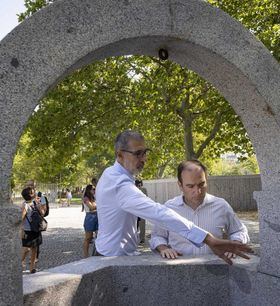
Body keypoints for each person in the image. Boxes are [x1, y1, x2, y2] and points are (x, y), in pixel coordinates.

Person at [95, 130, 252, 264]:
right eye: (138, 154)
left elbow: (239, 230)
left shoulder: (116, 175)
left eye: (145, 152)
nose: (144, 159)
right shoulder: (118, 183)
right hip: (110, 259)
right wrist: (208, 239)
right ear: (120, 155)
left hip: (119, 255)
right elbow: (158, 214)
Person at [150, 160, 250, 259]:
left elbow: (239, 231)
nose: (197, 191)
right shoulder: (169, 208)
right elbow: (157, 237)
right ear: (180, 185)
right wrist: (163, 248)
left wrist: (234, 244)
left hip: (216, 269)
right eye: (190, 186)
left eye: (201, 184)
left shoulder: (221, 206)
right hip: (180, 270)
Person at [21, 187, 45, 273]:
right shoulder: (25, 205)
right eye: (33, 192)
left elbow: (42, 213)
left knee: (34, 248)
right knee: (26, 249)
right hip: (28, 230)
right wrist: (22, 230)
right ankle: (20, 264)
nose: (35, 193)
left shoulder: (35, 202)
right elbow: (21, 218)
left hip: (36, 229)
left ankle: (32, 267)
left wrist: (39, 205)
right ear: (30, 195)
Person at [82, 184, 98, 257]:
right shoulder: (86, 198)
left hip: (97, 216)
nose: (94, 190)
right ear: (89, 190)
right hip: (90, 217)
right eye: (93, 189)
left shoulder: (94, 198)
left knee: (99, 236)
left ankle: (97, 253)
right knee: (88, 238)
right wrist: (99, 205)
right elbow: (91, 207)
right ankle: (86, 256)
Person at [135, 179, 147, 243]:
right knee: (139, 225)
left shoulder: (142, 190)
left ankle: (141, 238)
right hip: (139, 210)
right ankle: (140, 238)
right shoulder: (143, 189)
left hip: (139, 210)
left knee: (139, 225)